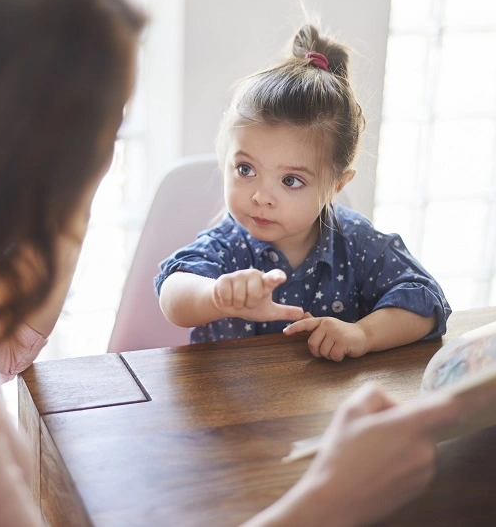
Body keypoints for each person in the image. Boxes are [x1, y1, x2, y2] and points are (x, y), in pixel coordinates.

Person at [0, 0, 464, 525]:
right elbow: (170, 289)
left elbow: (3, 345)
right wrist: (332, 501)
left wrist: (67, 200)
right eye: (104, 131)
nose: (104, 162)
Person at [156, 25, 451, 361]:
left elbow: (426, 301)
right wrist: (216, 296)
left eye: (291, 181)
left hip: (325, 408)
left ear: (336, 186)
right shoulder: (228, 245)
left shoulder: (357, 243)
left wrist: (363, 334)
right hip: (226, 408)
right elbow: (172, 294)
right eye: (245, 170)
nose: (261, 197)